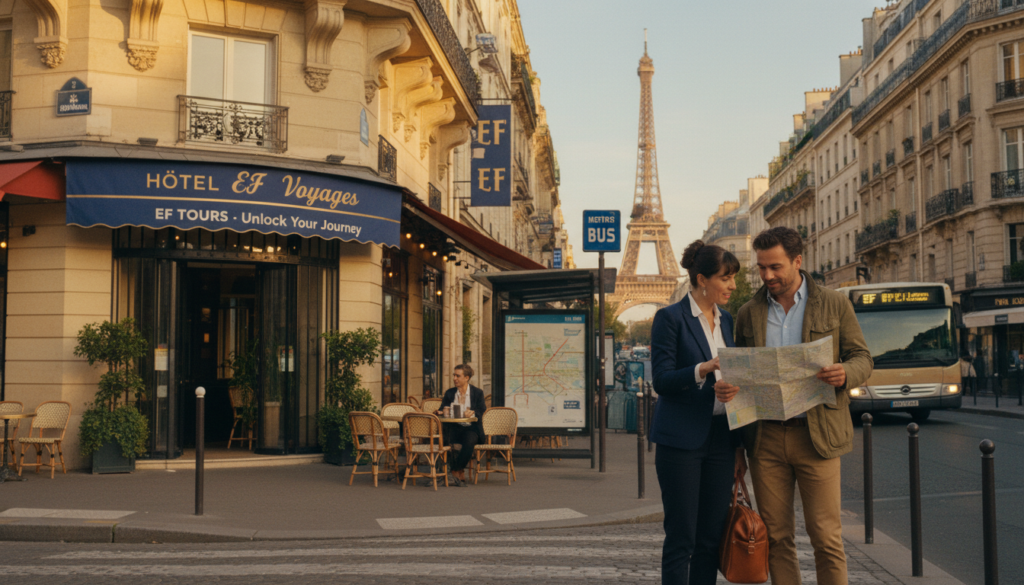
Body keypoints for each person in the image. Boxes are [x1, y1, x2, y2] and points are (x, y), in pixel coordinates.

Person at [717, 226, 873, 585]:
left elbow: (863, 358)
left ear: (798, 261)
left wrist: (844, 373)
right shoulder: (748, 313)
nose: (767, 275)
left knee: (826, 537)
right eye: (761, 268)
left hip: (816, 435)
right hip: (766, 438)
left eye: (775, 267)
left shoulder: (834, 303)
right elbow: (740, 375)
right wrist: (729, 390)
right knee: (776, 538)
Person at [650, 240, 746, 585]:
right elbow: (661, 380)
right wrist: (702, 370)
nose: (733, 285)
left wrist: (738, 447)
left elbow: (733, 379)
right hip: (681, 442)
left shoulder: (728, 321)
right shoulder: (670, 318)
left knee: (710, 538)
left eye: (734, 278)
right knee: (682, 537)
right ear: (702, 279)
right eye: (726, 278)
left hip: (721, 439)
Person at [439, 364, 486, 486]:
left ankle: (455, 469)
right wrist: (440, 412)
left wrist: (473, 412)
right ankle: (453, 471)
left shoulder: (477, 392)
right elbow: (442, 408)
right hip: (453, 428)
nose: (454, 378)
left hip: (471, 428)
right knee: (441, 440)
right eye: (454, 375)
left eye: (457, 376)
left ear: (466, 377)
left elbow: (482, 410)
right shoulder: (450, 393)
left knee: (470, 440)